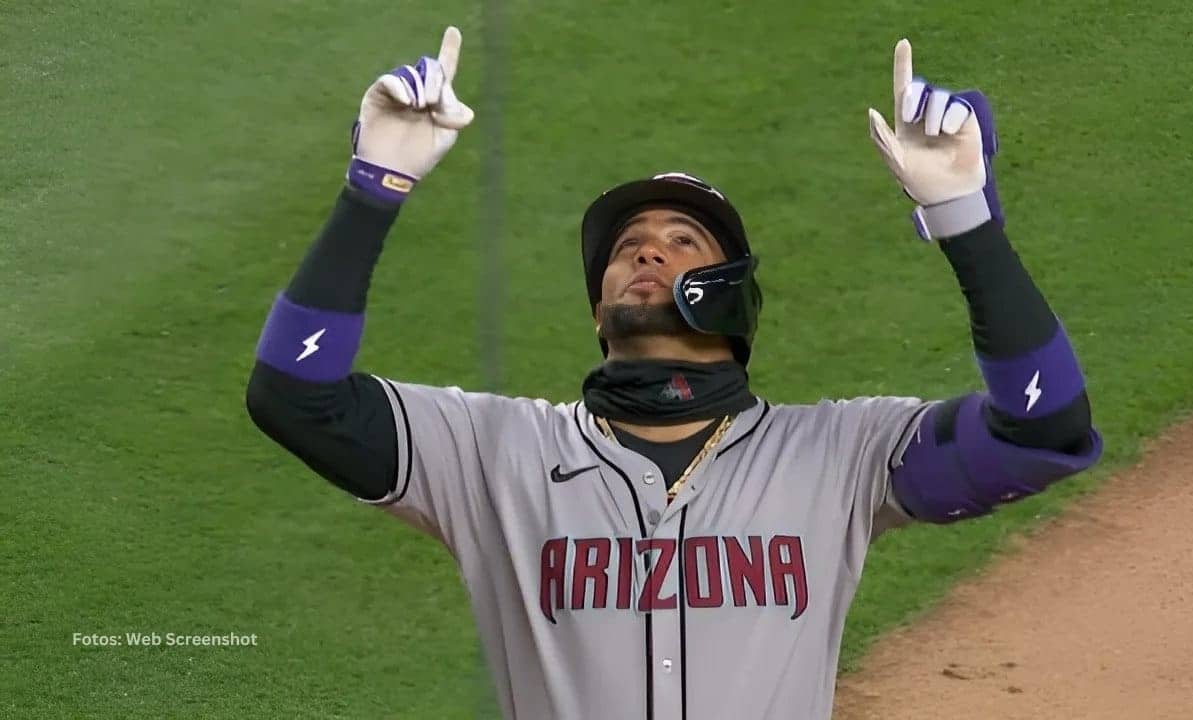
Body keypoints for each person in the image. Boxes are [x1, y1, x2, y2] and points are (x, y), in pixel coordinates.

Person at [245, 26, 1102, 720]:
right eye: (628, 248)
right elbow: (295, 395)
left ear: (731, 296)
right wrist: (373, 187)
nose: (646, 252)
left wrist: (962, 218)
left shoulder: (840, 456)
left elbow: (1042, 427)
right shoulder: (492, 455)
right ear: (598, 311)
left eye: (682, 241)